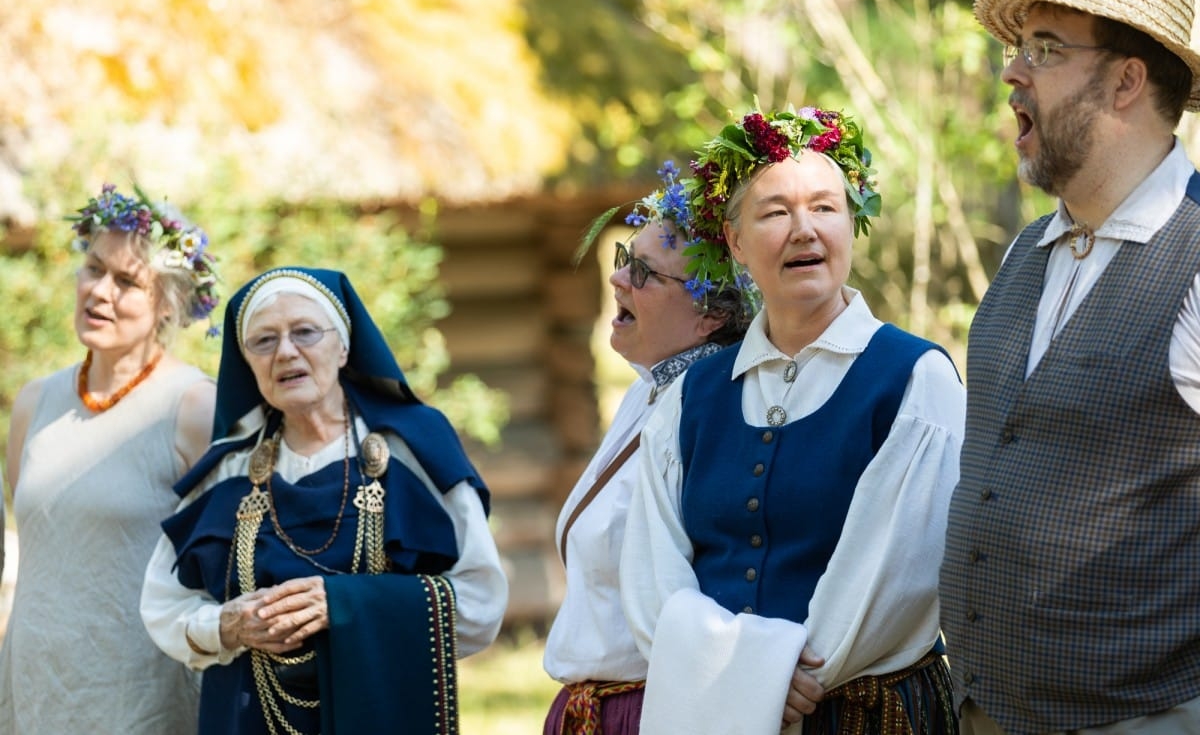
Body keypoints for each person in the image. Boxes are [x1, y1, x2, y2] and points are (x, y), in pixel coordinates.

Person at [619, 105, 964, 735]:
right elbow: (652, 569)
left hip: (864, 715)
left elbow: (894, 571)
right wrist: (728, 682)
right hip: (712, 712)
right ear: (736, 242)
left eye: (826, 207)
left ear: (853, 225)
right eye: (776, 212)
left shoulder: (916, 379)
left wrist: (778, 685)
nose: (804, 229)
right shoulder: (690, 396)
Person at [940, 0, 1200, 734]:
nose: (1012, 72)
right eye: (1020, 49)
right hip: (984, 709)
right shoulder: (1026, 249)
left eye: (1046, 50)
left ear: (1126, 80)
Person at [140, 266, 508, 735]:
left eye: (306, 332)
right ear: (247, 362)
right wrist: (227, 627)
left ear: (344, 346)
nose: (286, 352)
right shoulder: (229, 471)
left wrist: (345, 604)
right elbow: (162, 605)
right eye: (264, 341)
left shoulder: (411, 449)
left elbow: (481, 601)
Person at [542, 161, 755, 735]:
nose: (618, 281)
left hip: (649, 713)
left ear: (712, 313)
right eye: (623, 260)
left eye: (645, 273)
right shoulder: (650, 393)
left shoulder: (711, 417)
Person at [0, 184, 220, 732]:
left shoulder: (193, 406)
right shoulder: (34, 403)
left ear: (167, 304)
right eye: (94, 268)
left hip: (139, 697)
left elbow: (226, 567)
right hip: (34, 688)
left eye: (127, 282)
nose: (100, 291)